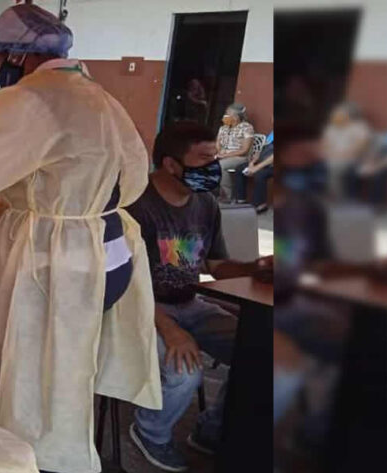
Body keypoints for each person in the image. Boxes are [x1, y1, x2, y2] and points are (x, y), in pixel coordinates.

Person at [0, 5, 161, 472]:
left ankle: (47, 459)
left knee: (44, 376)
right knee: (76, 363)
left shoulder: (33, 98)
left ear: (15, 55)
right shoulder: (98, 94)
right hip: (111, 247)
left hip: (63, 259)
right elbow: (75, 177)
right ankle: (80, 445)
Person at [125, 123, 273, 472]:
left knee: (259, 352)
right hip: (139, 308)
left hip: (191, 303)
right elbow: (127, 285)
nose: (214, 166)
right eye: (205, 159)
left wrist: (254, 269)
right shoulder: (135, 205)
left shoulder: (205, 203)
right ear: (170, 164)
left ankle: (211, 430)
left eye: (216, 157)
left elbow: (216, 266)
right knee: (183, 370)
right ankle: (150, 432)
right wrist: (170, 330)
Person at [214, 103, 255, 200]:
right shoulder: (223, 128)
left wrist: (225, 155)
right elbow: (218, 143)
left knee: (221, 165)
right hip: (223, 155)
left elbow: (244, 150)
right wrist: (219, 152)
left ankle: (226, 195)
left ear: (236, 117)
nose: (225, 116)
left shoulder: (246, 128)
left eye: (228, 114)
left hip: (240, 157)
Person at [233, 130, 274, 212]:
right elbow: (262, 149)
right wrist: (252, 163)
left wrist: (257, 167)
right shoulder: (272, 134)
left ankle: (260, 204)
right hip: (263, 162)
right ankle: (241, 200)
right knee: (240, 169)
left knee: (260, 174)